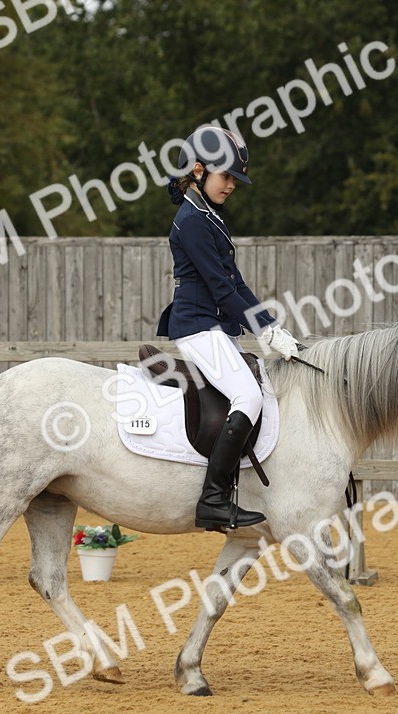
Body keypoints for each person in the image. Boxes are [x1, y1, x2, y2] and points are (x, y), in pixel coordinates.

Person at [156, 126, 301, 530]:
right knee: (248, 397)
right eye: (226, 176)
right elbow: (221, 291)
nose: (232, 185)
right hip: (198, 326)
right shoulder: (192, 220)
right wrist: (264, 333)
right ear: (199, 170)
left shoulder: (209, 216)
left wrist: (271, 326)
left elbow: (236, 283)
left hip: (215, 326)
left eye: (235, 179)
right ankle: (213, 498)